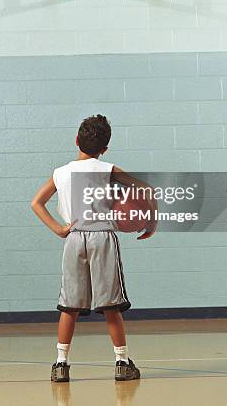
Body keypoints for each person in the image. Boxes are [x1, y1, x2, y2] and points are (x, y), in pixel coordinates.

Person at [31, 114, 156, 382]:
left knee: (69, 306)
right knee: (111, 304)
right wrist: (151, 223)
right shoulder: (108, 168)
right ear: (104, 149)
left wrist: (58, 229)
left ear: (76, 140)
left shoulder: (60, 173)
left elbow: (36, 203)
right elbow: (147, 191)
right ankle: (122, 363)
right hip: (102, 238)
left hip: (74, 237)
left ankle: (60, 365)